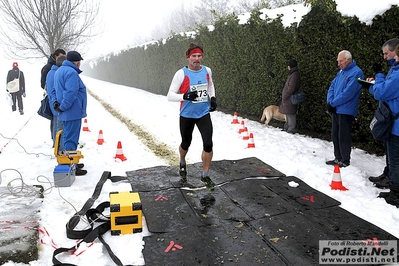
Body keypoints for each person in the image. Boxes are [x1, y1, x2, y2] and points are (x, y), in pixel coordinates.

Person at [167, 43, 217, 190]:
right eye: (194, 56)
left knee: (208, 143)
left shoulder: (207, 70)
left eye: (199, 56)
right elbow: (169, 95)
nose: (197, 59)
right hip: (187, 114)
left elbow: (210, 85)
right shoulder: (181, 74)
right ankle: (182, 160)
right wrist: (185, 96)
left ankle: (205, 175)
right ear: (188, 57)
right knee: (186, 143)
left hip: (203, 113)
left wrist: (212, 98)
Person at [366, 44, 399, 207]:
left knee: (396, 161)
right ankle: (389, 180)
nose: (386, 57)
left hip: (397, 125)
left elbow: (381, 92)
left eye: (388, 54)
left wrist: (378, 77)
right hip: (393, 123)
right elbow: (381, 91)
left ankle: (396, 194)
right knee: (392, 158)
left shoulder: (398, 73)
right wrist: (376, 85)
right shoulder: (394, 71)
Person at [326, 50, 364, 168]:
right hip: (336, 109)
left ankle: (345, 159)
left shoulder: (356, 72)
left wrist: (333, 103)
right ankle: (338, 157)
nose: (338, 64)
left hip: (346, 109)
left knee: (344, 135)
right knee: (335, 134)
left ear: (348, 60)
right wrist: (330, 102)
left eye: (341, 61)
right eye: (338, 61)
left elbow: (348, 93)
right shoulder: (341, 72)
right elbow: (332, 86)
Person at [54, 51, 87, 176]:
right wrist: (63, 107)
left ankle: (71, 162)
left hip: (67, 111)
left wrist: (60, 106)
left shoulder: (60, 71)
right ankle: (71, 166)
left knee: (68, 136)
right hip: (72, 111)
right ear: (77, 63)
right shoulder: (71, 72)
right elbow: (70, 93)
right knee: (71, 138)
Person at [41, 48, 66, 141]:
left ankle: (55, 143)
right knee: (57, 123)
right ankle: (57, 145)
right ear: (56, 56)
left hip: (54, 98)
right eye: (61, 56)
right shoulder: (49, 68)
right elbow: (44, 84)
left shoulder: (55, 68)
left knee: (55, 122)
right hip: (54, 99)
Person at [280, 59, 301, 134]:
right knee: (288, 113)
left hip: (290, 97)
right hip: (289, 97)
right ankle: (287, 127)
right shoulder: (293, 74)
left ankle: (291, 128)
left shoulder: (294, 75)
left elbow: (291, 88)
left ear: (290, 66)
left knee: (291, 113)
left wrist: (285, 95)